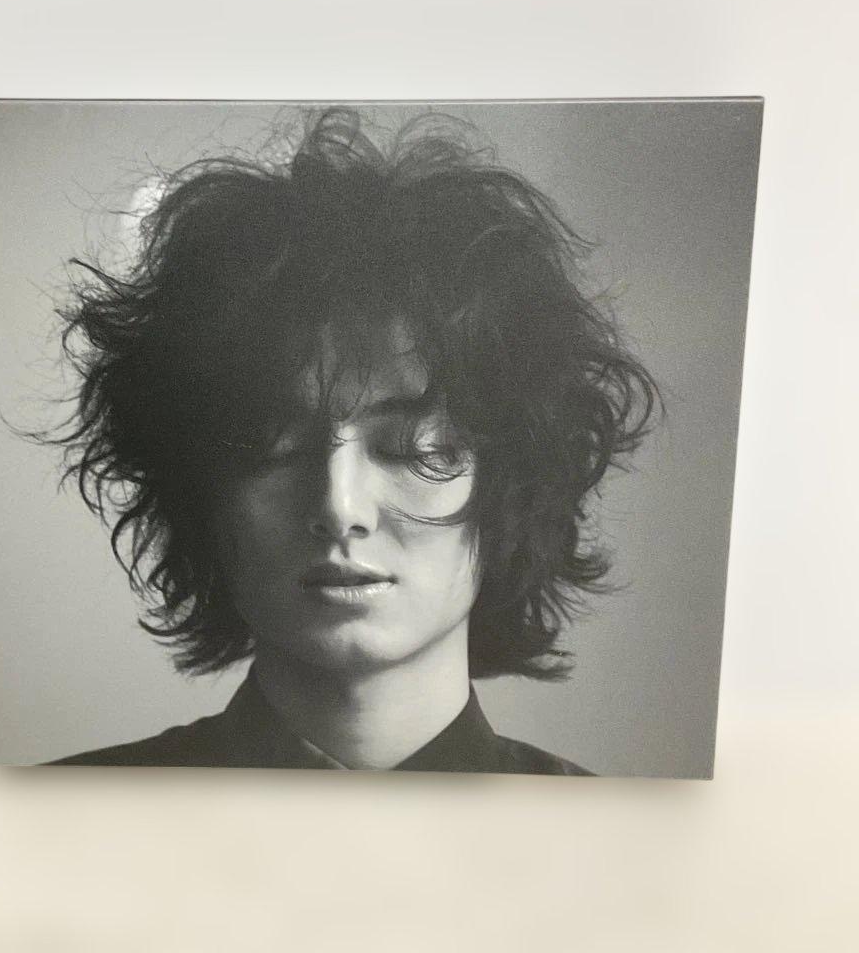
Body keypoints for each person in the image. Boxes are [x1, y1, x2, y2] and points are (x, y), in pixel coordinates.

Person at [47, 107, 659, 773]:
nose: (339, 508)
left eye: (416, 447)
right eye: (273, 444)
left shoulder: (622, 830)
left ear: (513, 490)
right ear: (199, 491)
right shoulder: (60, 817)